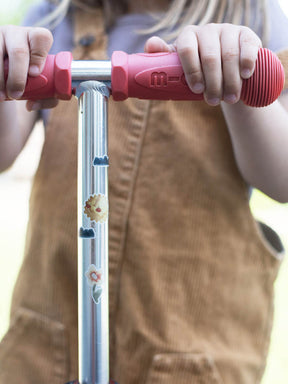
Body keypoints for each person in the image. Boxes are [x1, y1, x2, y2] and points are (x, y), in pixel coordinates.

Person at [0, 0, 288, 383]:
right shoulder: (54, 20)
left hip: (193, 355)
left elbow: (281, 178)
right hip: (48, 348)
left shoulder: (255, 21)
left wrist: (237, 83)